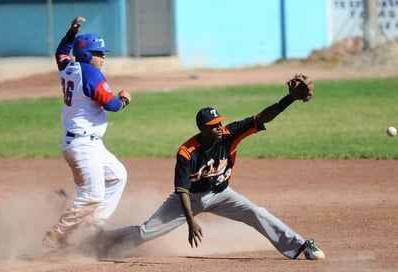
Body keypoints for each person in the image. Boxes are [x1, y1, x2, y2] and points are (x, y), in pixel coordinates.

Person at [100, 83, 325, 260]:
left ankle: (301, 246)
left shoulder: (229, 134)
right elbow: (182, 192)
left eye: (219, 123)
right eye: (214, 125)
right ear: (203, 129)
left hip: (221, 194)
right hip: (189, 199)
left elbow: (262, 117)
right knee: (145, 233)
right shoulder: (187, 152)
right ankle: (105, 241)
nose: (219, 128)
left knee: (257, 212)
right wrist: (190, 222)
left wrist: (290, 99)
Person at [42, 16, 132, 250]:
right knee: (92, 196)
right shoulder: (91, 74)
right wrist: (124, 99)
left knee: (117, 175)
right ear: (85, 54)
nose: (103, 57)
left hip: (83, 143)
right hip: (83, 145)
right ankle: (55, 238)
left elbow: (61, 52)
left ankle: (92, 227)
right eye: (98, 52)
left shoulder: (68, 67)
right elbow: (110, 104)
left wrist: (71, 34)